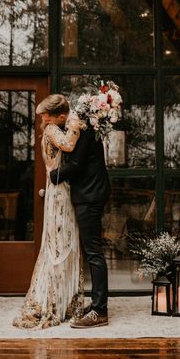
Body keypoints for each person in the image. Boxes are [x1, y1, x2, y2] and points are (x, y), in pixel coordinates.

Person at [13, 94, 84, 329]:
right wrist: (75, 123)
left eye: (45, 114)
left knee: (63, 242)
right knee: (60, 244)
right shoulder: (53, 130)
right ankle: (54, 301)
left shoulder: (50, 129)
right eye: (44, 115)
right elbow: (69, 145)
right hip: (59, 192)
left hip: (60, 188)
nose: (43, 118)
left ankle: (63, 300)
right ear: (62, 117)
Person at [50, 119, 111, 328]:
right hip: (91, 195)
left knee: (94, 252)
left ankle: (99, 311)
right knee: (92, 251)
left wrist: (53, 175)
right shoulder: (87, 132)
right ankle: (97, 304)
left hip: (89, 197)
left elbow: (75, 166)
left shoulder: (84, 135)